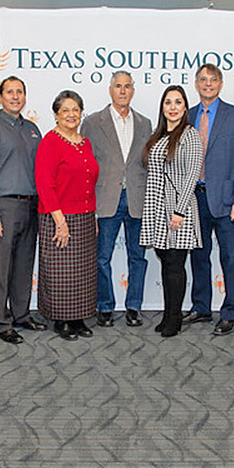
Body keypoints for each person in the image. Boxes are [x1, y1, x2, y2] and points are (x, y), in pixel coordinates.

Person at [0, 76, 47, 344]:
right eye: (10, 92)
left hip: (31, 205)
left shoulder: (32, 129)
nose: (15, 96)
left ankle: (21, 314)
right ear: (0, 97)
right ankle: (1, 321)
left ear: (25, 96)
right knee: (1, 267)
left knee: (24, 265)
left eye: (20, 91)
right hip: (3, 207)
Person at [182, 63, 234, 336]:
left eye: (213, 79)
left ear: (220, 84)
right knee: (199, 256)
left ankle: (230, 311)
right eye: (202, 79)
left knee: (231, 257)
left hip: (227, 200)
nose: (207, 84)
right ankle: (201, 306)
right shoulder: (188, 116)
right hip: (195, 198)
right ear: (196, 84)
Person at [81, 71, 152, 328]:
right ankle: (105, 306)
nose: (123, 91)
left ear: (133, 91)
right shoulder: (91, 122)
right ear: (110, 90)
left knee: (138, 258)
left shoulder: (145, 123)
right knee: (102, 258)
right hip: (105, 199)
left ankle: (134, 307)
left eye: (127, 87)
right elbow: (85, 166)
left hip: (137, 199)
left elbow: (148, 164)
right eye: (118, 86)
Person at [35, 91, 99, 340]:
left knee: (82, 273)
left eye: (75, 109)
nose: (71, 114)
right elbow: (44, 184)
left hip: (84, 217)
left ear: (81, 113)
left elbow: (90, 181)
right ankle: (61, 319)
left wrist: (92, 215)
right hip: (58, 216)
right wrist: (60, 222)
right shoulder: (50, 142)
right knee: (60, 272)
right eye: (65, 110)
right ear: (56, 115)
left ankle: (79, 318)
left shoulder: (86, 143)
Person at [140, 86, 203, 337]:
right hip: (156, 207)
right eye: (168, 102)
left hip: (178, 209)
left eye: (178, 102)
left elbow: (192, 175)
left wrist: (179, 210)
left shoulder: (190, 135)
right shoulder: (157, 135)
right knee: (166, 263)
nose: (173, 107)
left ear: (185, 107)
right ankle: (168, 315)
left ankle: (175, 319)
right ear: (162, 107)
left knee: (176, 265)